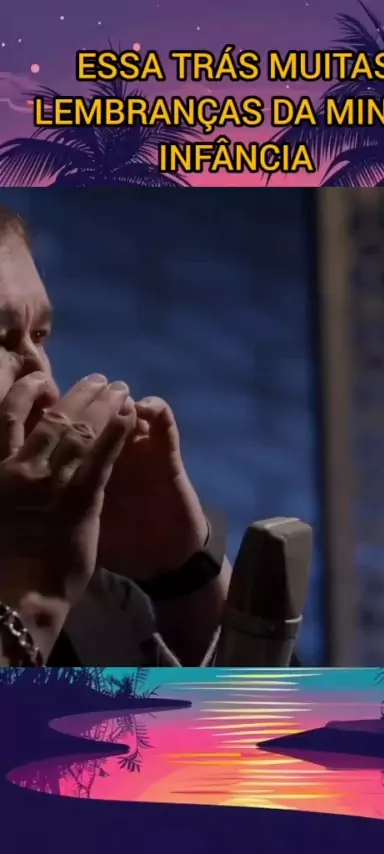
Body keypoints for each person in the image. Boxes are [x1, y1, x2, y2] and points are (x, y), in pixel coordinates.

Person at [0, 204, 235, 667]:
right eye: (1, 339)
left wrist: (185, 573)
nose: (42, 380)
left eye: (40, 336)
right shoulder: (52, 579)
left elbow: (281, 716)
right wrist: (31, 601)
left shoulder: (90, 591)